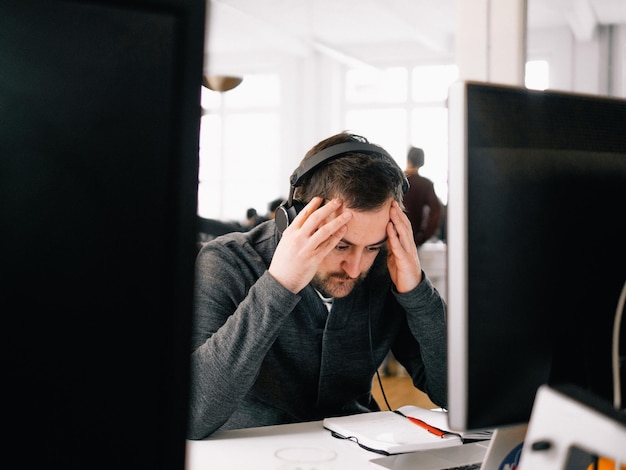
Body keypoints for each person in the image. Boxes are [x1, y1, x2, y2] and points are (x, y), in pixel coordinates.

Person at [187, 131, 447, 439]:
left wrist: (417, 292)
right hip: (254, 454)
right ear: (293, 219)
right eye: (340, 245)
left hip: (358, 455)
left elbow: (456, 394)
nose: (354, 268)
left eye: (372, 247)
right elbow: (194, 415)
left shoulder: (383, 269)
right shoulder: (225, 264)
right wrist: (279, 286)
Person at [403, 147, 443, 247]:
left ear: (408, 160)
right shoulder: (425, 184)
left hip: (392, 236)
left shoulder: (397, 181)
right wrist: (423, 236)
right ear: (422, 162)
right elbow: (436, 212)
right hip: (414, 239)